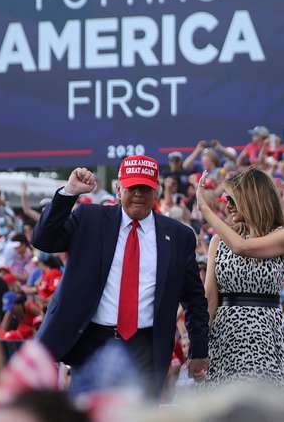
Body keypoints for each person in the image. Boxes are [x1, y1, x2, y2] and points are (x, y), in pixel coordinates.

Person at [32, 157, 209, 395]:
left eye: (145, 188)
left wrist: (199, 350)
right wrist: (69, 192)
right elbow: (44, 239)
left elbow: (195, 300)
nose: (138, 194)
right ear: (118, 189)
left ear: (155, 190)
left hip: (146, 345)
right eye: (132, 187)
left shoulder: (178, 236)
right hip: (92, 343)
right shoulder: (89, 219)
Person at [198, 167, 284, 386]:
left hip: (266, 335)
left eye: (233, 200)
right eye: (226, 200)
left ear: (252, 199)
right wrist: (199, 347)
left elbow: (243, 247)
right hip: (225, 336)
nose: (228, 206)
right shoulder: (218, 241)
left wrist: (207, 212)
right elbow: (210, 297)